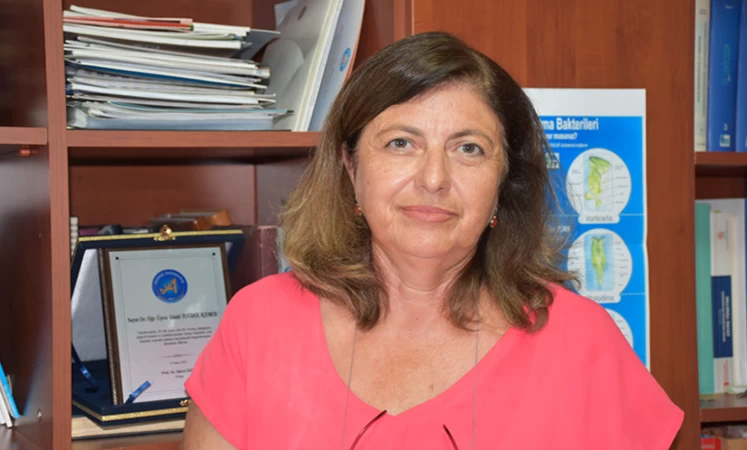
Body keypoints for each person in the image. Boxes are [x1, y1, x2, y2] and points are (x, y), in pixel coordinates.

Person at [182, 31, 683, 449]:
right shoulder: (258, 324)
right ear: (351, 166)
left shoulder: (581, 342)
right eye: (401, 143)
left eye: (469, 149)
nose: (434, 178)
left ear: (504, 180)